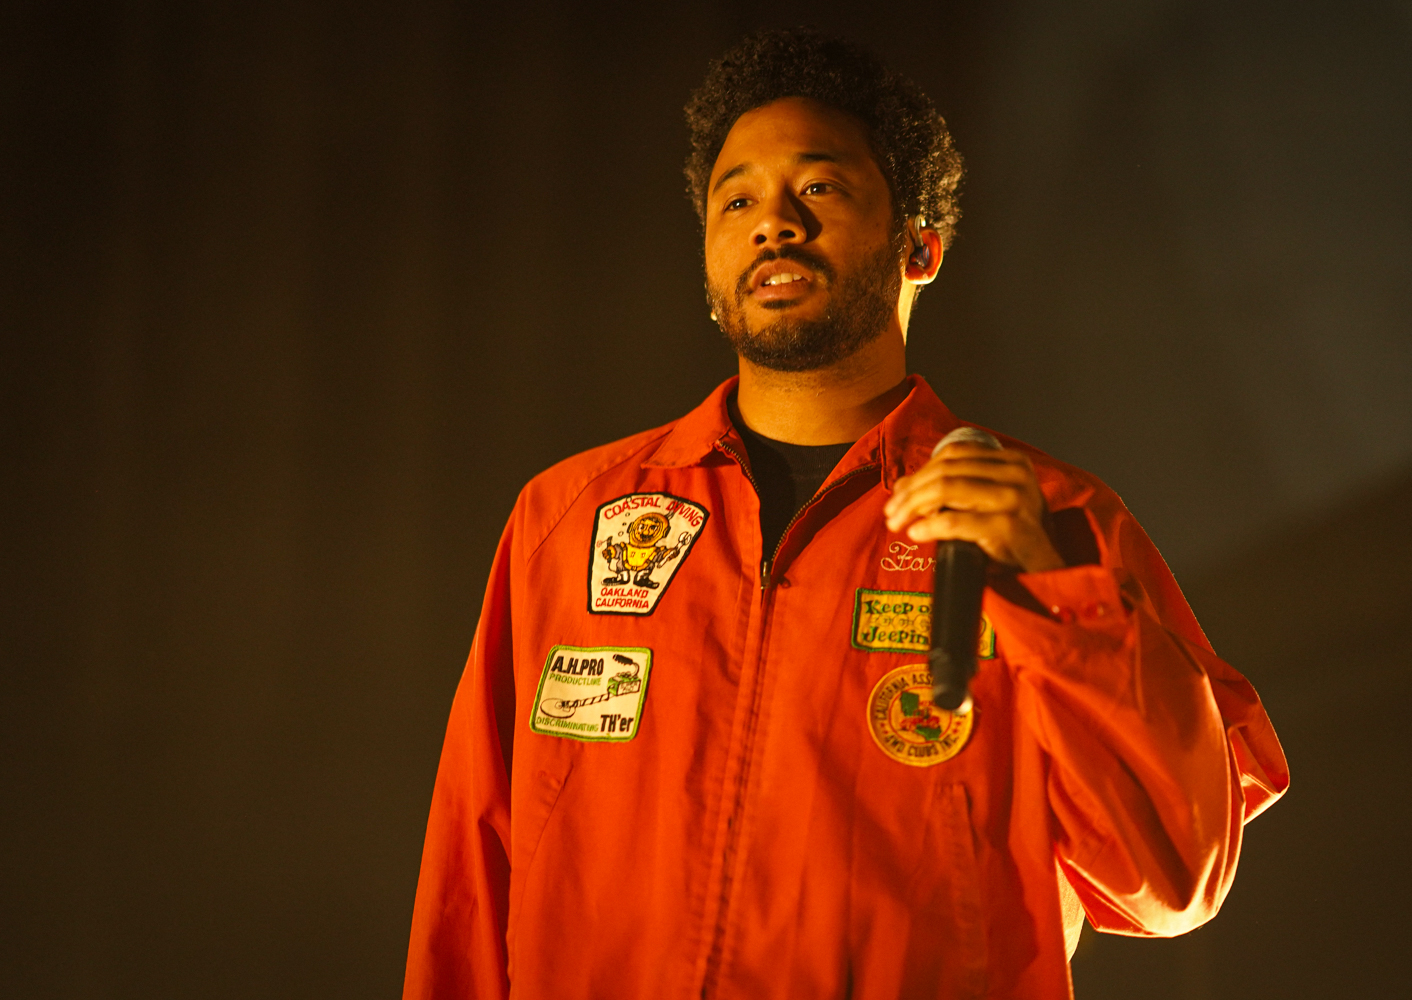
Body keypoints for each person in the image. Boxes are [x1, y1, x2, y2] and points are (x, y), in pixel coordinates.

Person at [403, 28, 1288, 1000]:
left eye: (818, 187)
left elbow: (1173, 875)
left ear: (920, 245)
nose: (772, 224)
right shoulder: (570, 514)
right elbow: (469, 872)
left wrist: (1050, 584)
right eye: (737, 199)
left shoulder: (1054, 519)